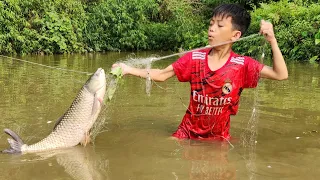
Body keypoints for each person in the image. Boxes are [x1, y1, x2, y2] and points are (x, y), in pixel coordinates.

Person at [112, 3, 288, 140]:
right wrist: (128, 69)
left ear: (235, 35)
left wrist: (272, 40)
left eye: (220, 26)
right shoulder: (194, 58)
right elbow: (162, 75)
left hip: (219, 138)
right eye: (211, 24)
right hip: (185, 133)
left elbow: (281, 74)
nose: (211, 29)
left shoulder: (242, 64)